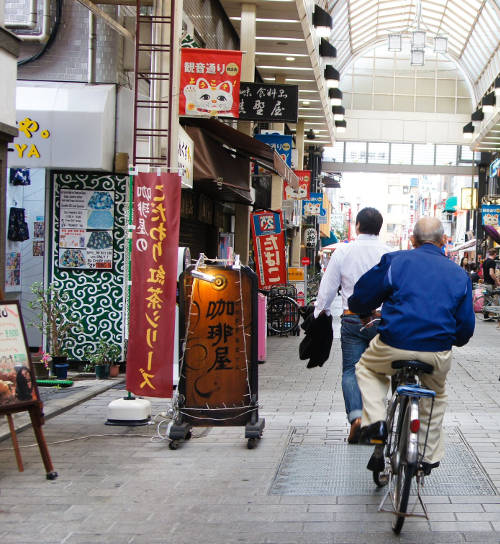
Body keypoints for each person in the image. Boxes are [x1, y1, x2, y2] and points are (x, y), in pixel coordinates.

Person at [348, 217, 475, 474]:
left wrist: (363, 310)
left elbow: (362, 296)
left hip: (394, 343)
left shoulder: (396, 261)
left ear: (412, 240)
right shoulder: (460, 274)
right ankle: (427, 457)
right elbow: (465, 328)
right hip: (436, 351)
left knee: (367, 368)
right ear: (443, 241)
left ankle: (376, 424)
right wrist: (452, 340)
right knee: (435, 395)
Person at [314, 207, 392, 444]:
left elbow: (328, 286)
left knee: (351, 370)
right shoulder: (390, 253)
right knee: (377, 372)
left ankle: (356, 417)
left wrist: (320, 311)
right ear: (379, 228)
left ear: (357, 225)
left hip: (351, 318)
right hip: (381, 320)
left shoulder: (344, 251)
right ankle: (373, 421)